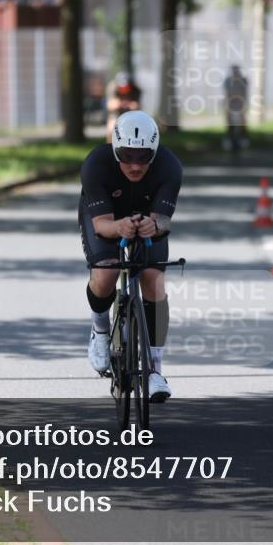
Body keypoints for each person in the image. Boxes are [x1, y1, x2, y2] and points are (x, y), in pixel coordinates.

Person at [79, 110, 182, 402]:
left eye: (143, 157)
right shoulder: (96, 164)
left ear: (154, 152)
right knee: (107, 272)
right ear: (115, 150)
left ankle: (155, 371)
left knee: (154, 281)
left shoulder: (169, 166)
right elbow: (101, 225)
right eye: (126, 156)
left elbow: (164, 221)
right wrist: (119, 227)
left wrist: (155, 225)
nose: (135, 165)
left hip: (147, 218)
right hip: (106, 217)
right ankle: (100, 330)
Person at [105, 72, 142, 142]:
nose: (124, 91)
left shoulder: (136, 89)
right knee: (111, 127)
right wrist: (123, 104)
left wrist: (130, 105)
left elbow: (137, 106)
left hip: (131, 115)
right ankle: (110, 146)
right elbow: (110, 105)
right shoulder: (112, 88)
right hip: (116, 115)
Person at [223, 65, 249, 152]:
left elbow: (243, 94)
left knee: (242, 125)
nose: (235, 73)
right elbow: (228, 94)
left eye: (236, 71)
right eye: (234, 71)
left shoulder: (243, 80)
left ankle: (243, 141)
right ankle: (230, 143)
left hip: (240, 106)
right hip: (231, 106)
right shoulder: (228, 81)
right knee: (230, 126)